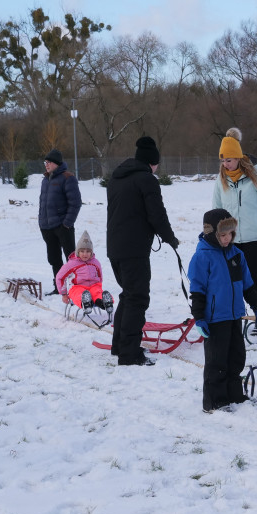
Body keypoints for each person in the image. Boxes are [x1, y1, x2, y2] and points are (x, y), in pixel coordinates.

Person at [106, 136, 179, 366]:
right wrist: (170, 238)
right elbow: (157, 213)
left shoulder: (117, 178)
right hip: (134, 249)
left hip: (115, 247)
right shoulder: (146, 180)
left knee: (128, 295)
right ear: (152, 162)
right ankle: (129, 353)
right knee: (137, 299)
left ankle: (119, 346)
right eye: (156, 164)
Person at [188, 208, 257, 412]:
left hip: (234, 316)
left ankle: (234, 394)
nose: (227, 239)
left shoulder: (237, 254)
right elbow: (197, 289)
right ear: (211, 233)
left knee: (236, 356)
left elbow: (247, 283)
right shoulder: (202, 257)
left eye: (230, 234)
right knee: (217, 360)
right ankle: (215, 400)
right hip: (214, 318)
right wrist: (199, 318)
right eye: (222, 234)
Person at [212, 128, 257, 325]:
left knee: (255, 280)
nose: (226, 165)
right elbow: (216, 209)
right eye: (223, 161)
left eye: (229, 160)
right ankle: (236, 319)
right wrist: (215, 235)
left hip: (255, 239)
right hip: (230, 241)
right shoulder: (221, 179)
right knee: (233, 281)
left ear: (238, 158)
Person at [39, 149, 81, 295]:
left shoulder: (67, 178)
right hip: (47, 227)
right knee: (54, 258)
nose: (46, 165)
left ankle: (75, 287)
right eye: (45, 162)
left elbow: (75, 203)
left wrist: (67, 223)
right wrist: (41, 223)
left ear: (56, 163)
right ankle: (59, 287)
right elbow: (42, 203)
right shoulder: (45, 180)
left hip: (63, 227)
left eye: (49, 162)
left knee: (71, 259)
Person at [56, 230, 113, 314]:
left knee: (97, 292)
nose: (85, 254)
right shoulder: (71, 264)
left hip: (93, 286)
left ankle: (104, 303)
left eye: (88, 251)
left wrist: (98, 286)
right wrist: (64, 294)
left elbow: (100, 276)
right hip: (76, 287)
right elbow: (60, 277)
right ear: (77, 252)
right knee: (78, 294)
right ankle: (85, 303)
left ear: (91, 252)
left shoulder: (95, 262)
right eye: (82, 251)